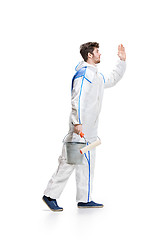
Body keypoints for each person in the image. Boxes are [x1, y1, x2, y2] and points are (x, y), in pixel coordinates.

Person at [42, 42, 126, 211]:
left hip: (90, 131)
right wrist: (77, 122)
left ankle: (84, 198)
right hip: (80, 130)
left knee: (87, 164)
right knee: (69, 162)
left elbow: (112, 79)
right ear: (90, 55)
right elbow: (77, 98)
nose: (100, 54)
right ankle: (50, 195)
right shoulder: (85, 74)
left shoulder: (96, 76)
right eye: (97, 51)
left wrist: (122, 62)